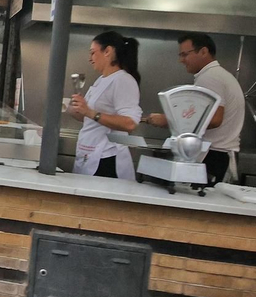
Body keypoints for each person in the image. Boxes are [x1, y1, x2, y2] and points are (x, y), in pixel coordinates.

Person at [144, 33, 244, 184]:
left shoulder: (210, 77)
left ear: (203, 51)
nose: (181, 60)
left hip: (216, 155)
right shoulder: (215, 75)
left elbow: (215, 119)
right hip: (217, 154)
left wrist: (167, 120)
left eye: (185, 54)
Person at [68, 30, 143, 181]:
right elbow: (90, 118)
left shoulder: (123, 80)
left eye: (93, 53)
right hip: (89, 153)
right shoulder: (101, 80)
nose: (90, 58)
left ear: (108, 51)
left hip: (107, 158)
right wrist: (76, 109)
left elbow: (130, 123)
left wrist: (89, 112)